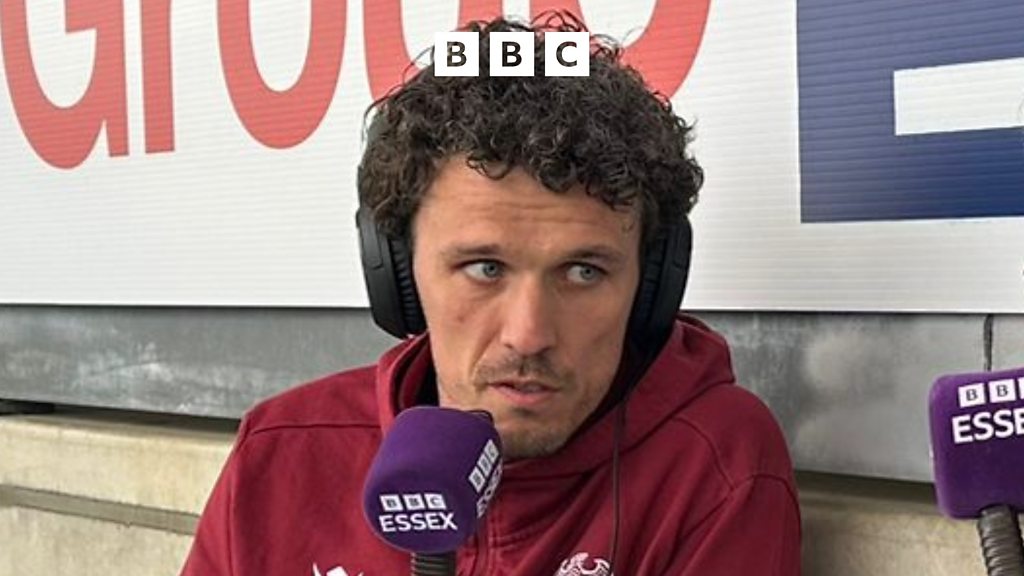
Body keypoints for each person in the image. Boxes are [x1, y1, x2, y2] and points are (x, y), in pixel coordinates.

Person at [181, 12, 800, 576]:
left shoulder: (713, 465)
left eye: (583, 272)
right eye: (484, 268)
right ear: (399, 272)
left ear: (650, 285)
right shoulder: (281, 451)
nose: (528, 335)